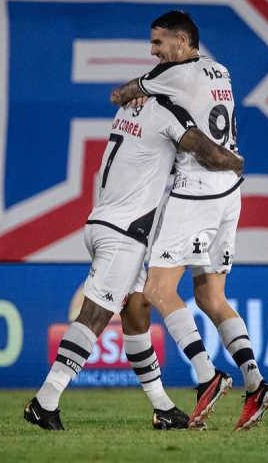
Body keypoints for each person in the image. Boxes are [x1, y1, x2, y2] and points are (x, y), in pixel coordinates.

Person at [24, 95, 244, 431]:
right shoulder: (167, 112)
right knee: (95, 314)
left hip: (107, 222)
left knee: (138, 308)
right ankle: (45, 401)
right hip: (123, 232)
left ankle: (163, 407)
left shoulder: (129, 110)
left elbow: (151, 158)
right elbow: (202, 150)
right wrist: (233, 161)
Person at [111, 10, 268, 431]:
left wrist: (138, 91)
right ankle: (255, 382)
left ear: (182, 43)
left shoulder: (175, 74)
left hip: (196, 190)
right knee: (211, 298)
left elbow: (121, 93)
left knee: (158, 288)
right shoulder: (219, 69)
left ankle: (207, 375)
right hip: (230, 194)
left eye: (159, 43)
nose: (153, 51)